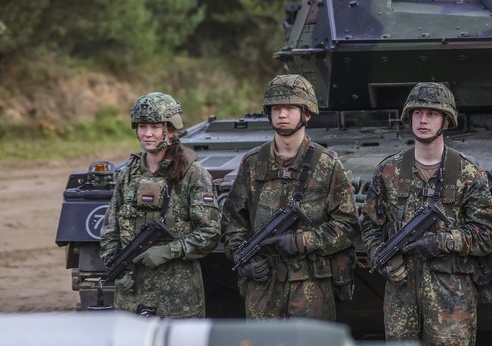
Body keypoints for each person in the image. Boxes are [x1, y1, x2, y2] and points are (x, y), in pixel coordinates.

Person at [360, 82, 492, 346]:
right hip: (401, 292)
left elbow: (487, 234)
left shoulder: (466, 173)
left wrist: (442, 241)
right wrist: (381, 258)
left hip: (450, 292)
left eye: (432, 114)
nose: (423, 120)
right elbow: (370, 226)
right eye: (417, 113)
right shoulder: (389, 171)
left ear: (445, 120)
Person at [221, 74, 359, 320]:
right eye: (276, 108)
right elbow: (233, 222)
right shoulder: (253, 163)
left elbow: (348, 225)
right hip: (263, 284)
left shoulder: (327, 165)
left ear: (306, 114)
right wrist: (244, 259)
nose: (282, 114)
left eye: (290, 108)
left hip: (310, 286)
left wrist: (305, 240)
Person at [99, 92, 220, 318]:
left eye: (155, 127)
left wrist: (168, 251)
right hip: (131, 297)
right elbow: (109, 231)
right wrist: (115, 267)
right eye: (142, 126)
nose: (147, 134)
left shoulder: (193, 175)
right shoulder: (128, 175)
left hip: (177, 299)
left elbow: (210, 233)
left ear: (170, 130)